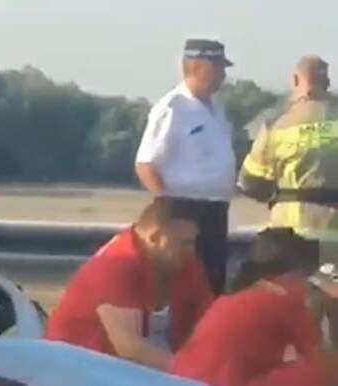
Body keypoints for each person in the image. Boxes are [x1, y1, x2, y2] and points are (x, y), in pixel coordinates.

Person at [237, 55, 338, 346]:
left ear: (296, 81)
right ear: (327, 83)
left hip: (289, 243)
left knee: (295, 318)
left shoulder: (277, 126)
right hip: (334, 240)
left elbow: (249, 182)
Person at [44, 198, 213, 371]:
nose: (191, 250)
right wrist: (197, 372)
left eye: (193, 242)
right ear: (154, 237)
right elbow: (129, 346)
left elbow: (211, 322)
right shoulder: (117, 263)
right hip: (76, 366)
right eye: (183, 243)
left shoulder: (182, 260)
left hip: (131, 360)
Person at [169, 227, 338, 386]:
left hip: (182, 377)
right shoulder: (286, 297)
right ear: (295, 273)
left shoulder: (245, 293)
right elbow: (323, 361)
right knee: (323, 369)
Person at [135, 38, 236, 295]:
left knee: (211, 284)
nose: (223, 75)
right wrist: (166, 213)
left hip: (214, 210)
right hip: (183, 209)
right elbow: (146, 164)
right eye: (218, 68)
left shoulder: (217, 109)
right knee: (183, 288)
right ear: (197, 66)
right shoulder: (173, 107)